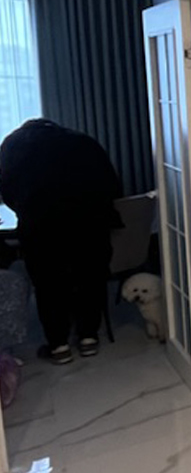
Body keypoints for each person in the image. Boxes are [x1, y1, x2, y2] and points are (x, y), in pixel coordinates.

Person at [0, 119, 121, 364]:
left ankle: (59, 346)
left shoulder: (12, 145)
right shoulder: (83, 141)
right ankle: (89, 338)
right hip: (90, 220)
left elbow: (7, 189)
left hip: (42, 224)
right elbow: (112, 185)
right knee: (90, 276)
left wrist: (25, 209)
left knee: (48, 283)